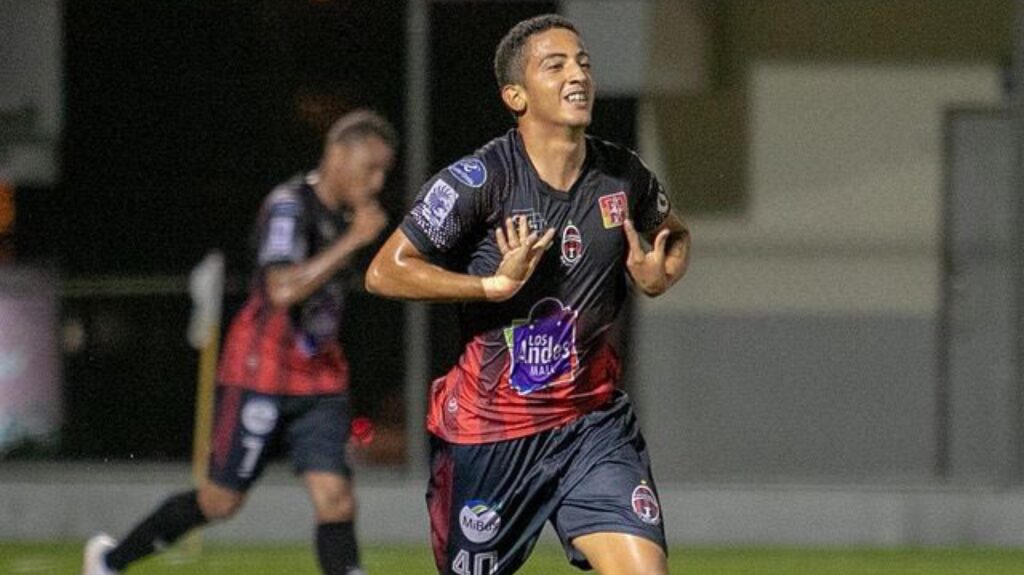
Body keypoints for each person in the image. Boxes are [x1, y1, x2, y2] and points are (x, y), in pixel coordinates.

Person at [365, 14, 690, 575]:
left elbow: (674, 237)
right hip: (491, 432)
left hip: (592, 424)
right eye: (555, 65)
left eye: (583, 63)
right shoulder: (479, 181)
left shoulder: (623, 176)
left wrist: (661, 275)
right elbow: (385, 271)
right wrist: (489, 287)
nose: (578, 75)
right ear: (515, 96)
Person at [82, 110, 398, 575]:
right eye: (370, 168)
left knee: (336, 497)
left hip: (319, 377)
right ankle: (109, 561)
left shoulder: (350, 216)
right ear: (336, 154)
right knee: (221, 500)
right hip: (260, 371)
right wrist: (353, 241)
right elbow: (280, 289)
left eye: (384, 172)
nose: (377, 182)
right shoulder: (289, 206)